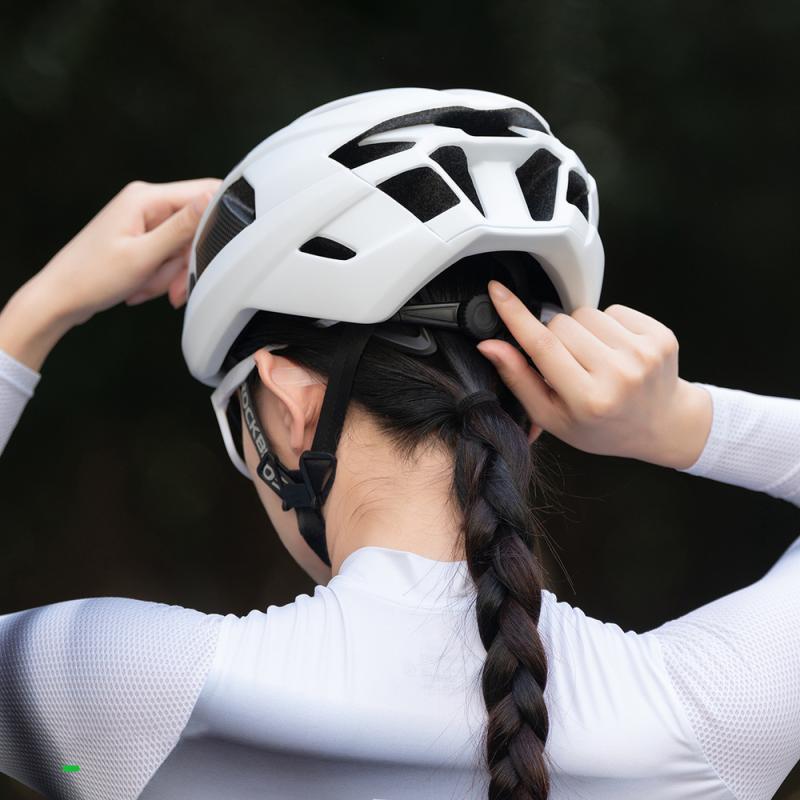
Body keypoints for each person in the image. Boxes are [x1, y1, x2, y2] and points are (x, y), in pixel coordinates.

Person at [0, 87, 797, 800]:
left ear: (291, 407)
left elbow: (69, 765)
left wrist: (36, 314)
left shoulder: (129, 697)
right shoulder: (705, 714)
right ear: (533, 416)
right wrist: (681, 423)